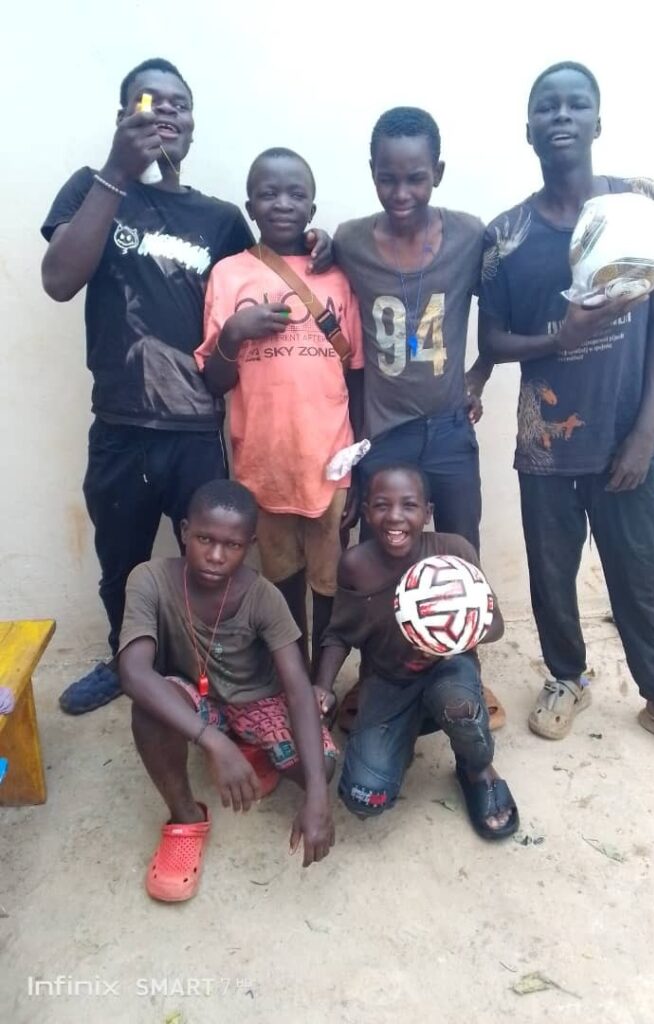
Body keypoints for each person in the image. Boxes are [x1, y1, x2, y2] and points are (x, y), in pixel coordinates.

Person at [41, 58, 330, 715]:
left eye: (179, 103)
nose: (166, 111)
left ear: (193, 126)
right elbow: (59, 281)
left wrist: (323, 242)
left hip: (200, 427)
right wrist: (116, 172)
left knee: (216, 561)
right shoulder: (92, 190)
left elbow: (272, 264)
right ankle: (125, 658)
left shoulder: (221, 218)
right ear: (123, 119)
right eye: (149, 102)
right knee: (122, 561)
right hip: (120, 424)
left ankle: (208, 670)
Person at [477, 61, 654, 770]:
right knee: (552, 576)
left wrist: (646, 429)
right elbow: (492, 342)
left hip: (626, 436)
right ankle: (567, 677)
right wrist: (559, 338)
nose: (561, 116)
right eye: (546, 107)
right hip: (545, 443)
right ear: (528, 130)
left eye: (575, 105)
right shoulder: (507, 235)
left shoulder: (643, 202)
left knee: (639, 571)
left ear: (597, 122)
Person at [118, 479, 336, 902]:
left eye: (231, 545)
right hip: (200, 703)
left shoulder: (263, 598)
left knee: (321, 767)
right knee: (149, 707)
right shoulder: (150, 580)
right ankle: (185, 818)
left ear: (250, 545)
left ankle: (250, 748)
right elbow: (133, 673)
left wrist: (317, 796)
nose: (216, 555)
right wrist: (214, 742)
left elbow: (296, 690)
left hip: (258, 700)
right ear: (184, 531)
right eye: (204, 539)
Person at [195, 148, 364, 673]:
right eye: (269, 194)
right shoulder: (229, 275)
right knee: (281, 578)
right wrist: (235, 333)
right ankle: (290, 671)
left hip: (329, 462)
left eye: (296, 194)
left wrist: (360, 464)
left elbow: (355, 371)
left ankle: (324, 679)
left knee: (330, 579)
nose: (283, 203)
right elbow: (215, 380)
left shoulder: (337, 275)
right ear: (250, 206)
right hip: (263, 465)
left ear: (313, 207)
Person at [314, 465, 519, 840]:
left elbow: (495, 625)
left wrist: (443, 636)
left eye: (409, 505)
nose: (394, 516)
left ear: (427, 511)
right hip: (388, 680)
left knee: (460, 706)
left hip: (449, 671)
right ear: (366, 511)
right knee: (364, 796)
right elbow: (339, 633)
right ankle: (398, 739)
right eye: (381, 505)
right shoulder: (357, 564)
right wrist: (323, 686)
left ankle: (477, 769)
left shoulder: (453, 551)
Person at [333, 106, 492, 552]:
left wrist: (479, 373)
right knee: (380, 557)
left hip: (450, 430)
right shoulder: (350, 241)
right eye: (388, 179)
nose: (401, 193)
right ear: (373, 173)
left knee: (461, 552)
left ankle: (460, 624)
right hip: (384, 435)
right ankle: (381, 627)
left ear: (437, 173)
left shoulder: (467, 235)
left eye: (416, 178)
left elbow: (504, 309)